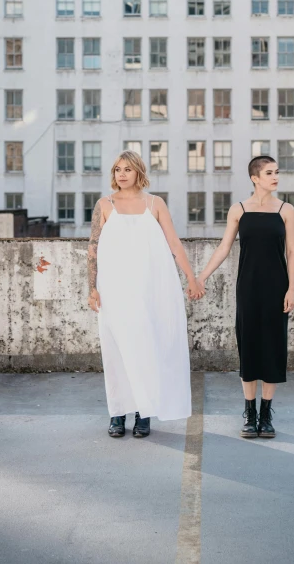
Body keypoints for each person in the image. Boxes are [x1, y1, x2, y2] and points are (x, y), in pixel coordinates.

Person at [87, 150, 203, 439]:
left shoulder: (155, 203)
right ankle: (117, 413)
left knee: (146, 349)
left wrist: (191, 278)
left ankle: (143, 411)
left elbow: (173, 243)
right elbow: (93, 248)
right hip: (114, 291)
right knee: (116, 352)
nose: (121, 174)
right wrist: (92, 288)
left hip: (149, 290)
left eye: (127, 169)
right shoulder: (104, 204)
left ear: (139, 171)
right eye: (117, 169)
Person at [194, 156, 294, 438]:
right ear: (255, 177)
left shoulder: (286, 210)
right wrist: (202, 276)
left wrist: (292, 288)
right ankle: (249, 413)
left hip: (277, 288)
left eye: (277, 172)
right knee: (249, 347)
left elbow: (292, 252)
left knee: (274, 348)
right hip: (248, 288)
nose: (275, 177)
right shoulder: (238, 210)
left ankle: (266, 414)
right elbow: (224, 247)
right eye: (269, 172)